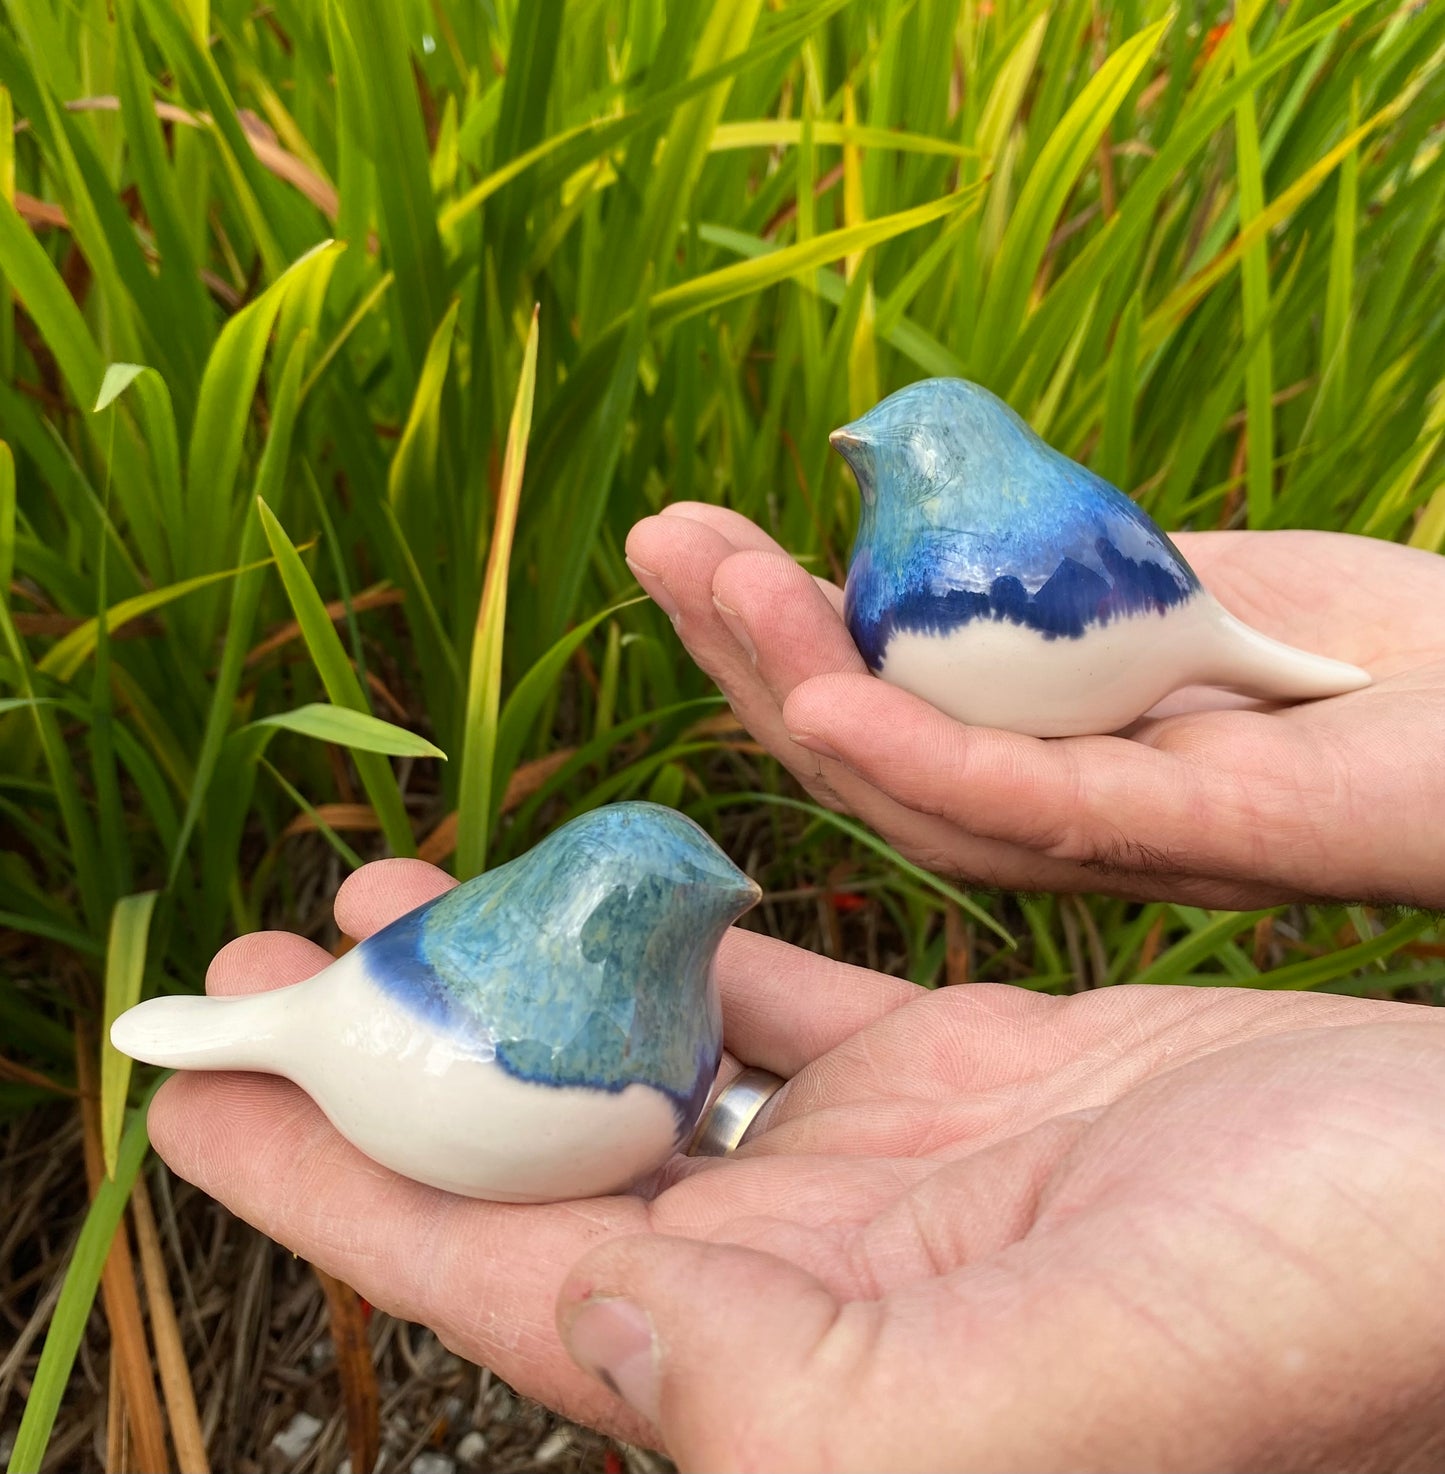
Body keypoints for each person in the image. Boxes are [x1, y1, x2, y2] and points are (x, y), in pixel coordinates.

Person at [150, 507, 1445, 1472]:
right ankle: (247, 1030)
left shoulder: (678, 1037)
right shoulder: (508, 1012)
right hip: (370, 1025)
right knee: (271, 1018)